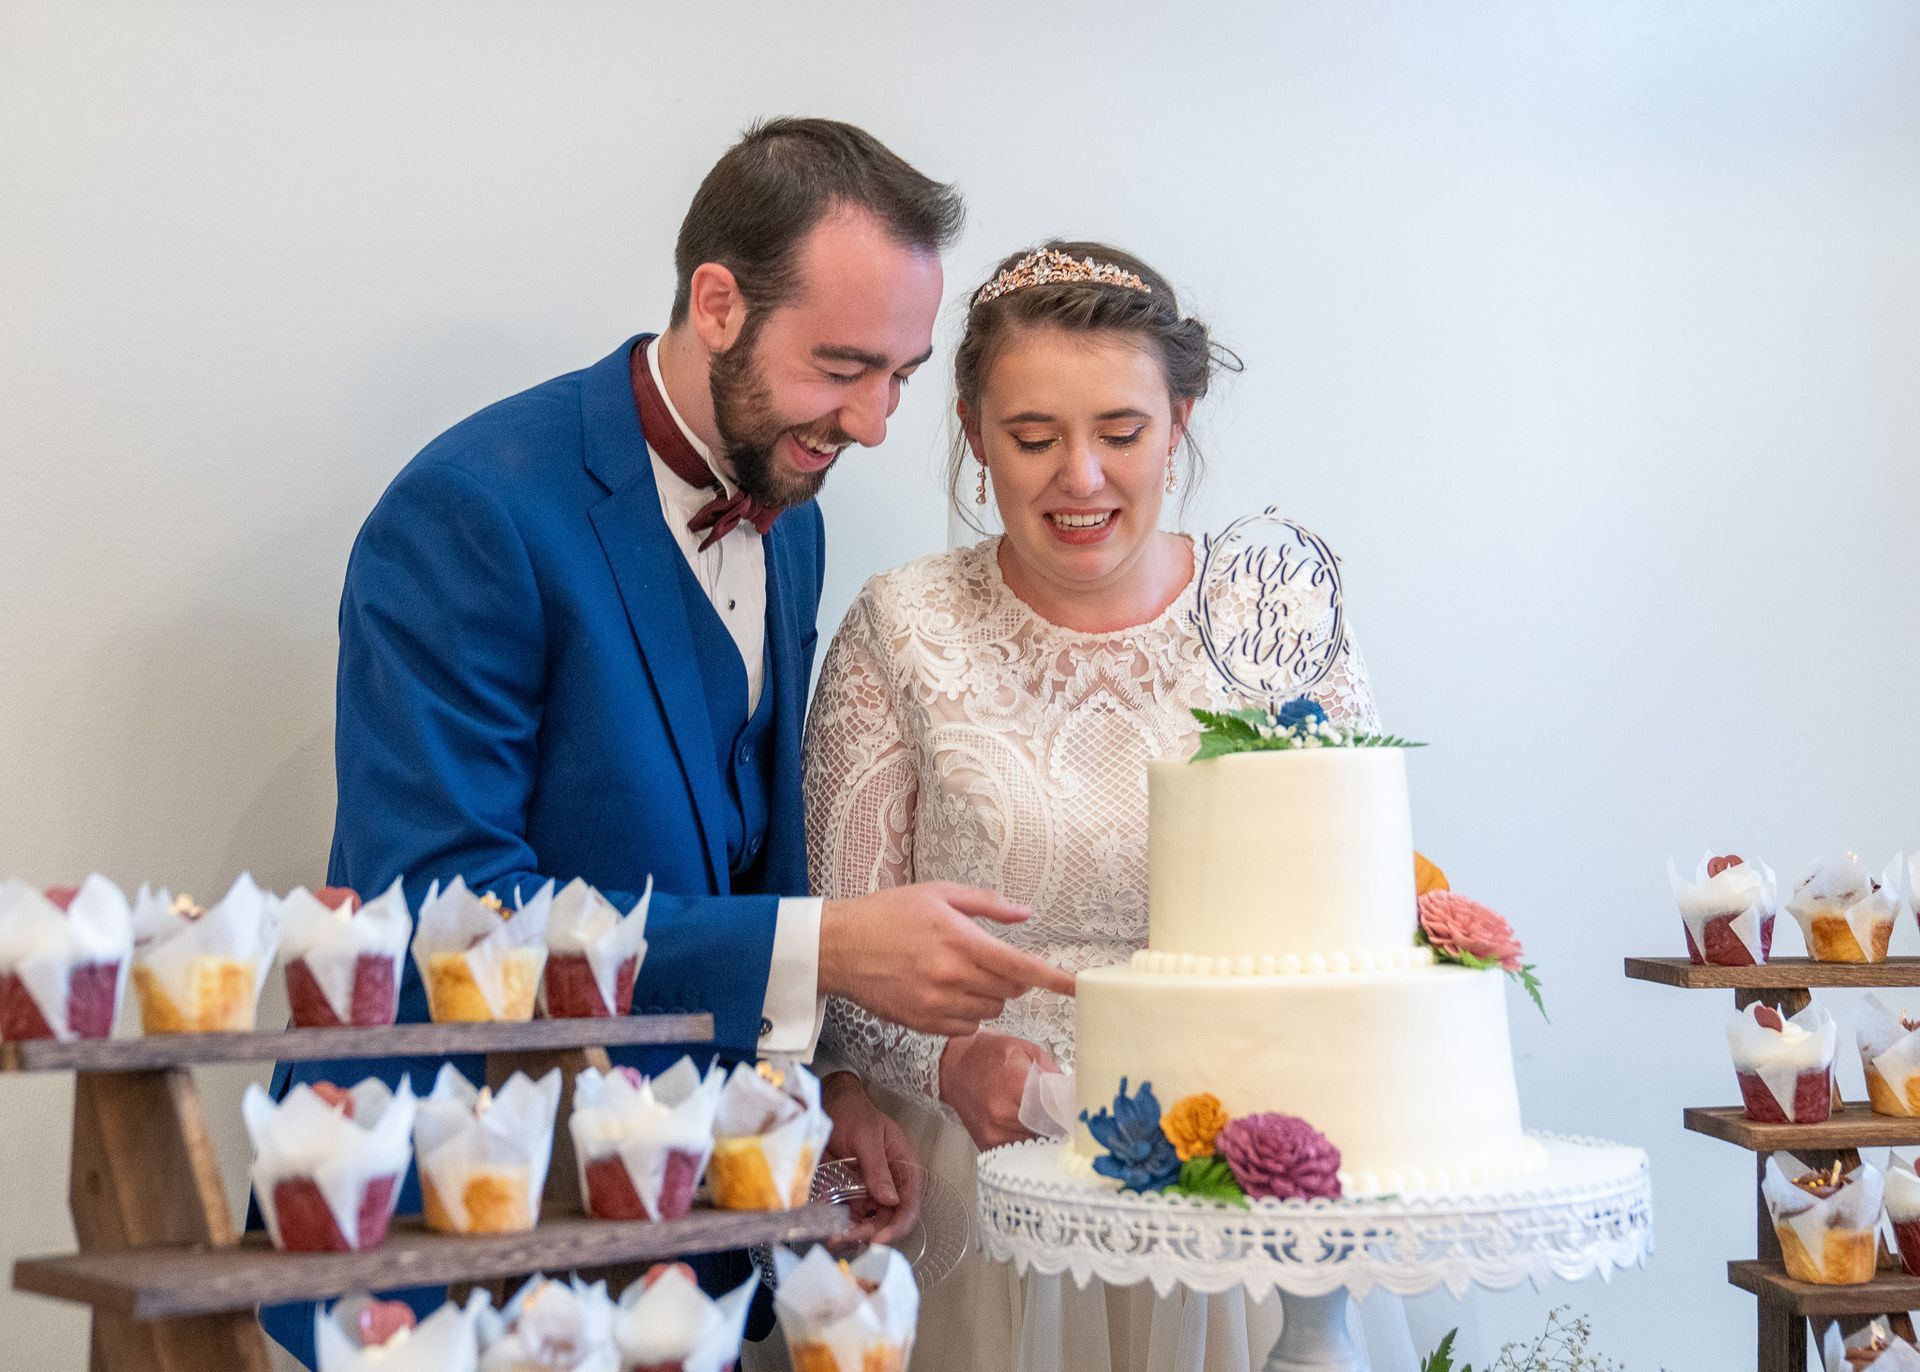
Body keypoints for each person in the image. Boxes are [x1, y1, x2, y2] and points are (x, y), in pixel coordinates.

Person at [262, 121, 1073, 1367]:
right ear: (717, 302)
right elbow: (436, 908)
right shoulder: (470, 511)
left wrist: (824, 1084)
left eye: (901, 375)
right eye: (843, 366)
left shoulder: (790, 514)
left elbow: (746, 837)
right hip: (459, 1237)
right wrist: (833, 947)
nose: (870, 423)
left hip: (685, 1239)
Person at [801, 242, 1421, 1370]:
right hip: (973, 1176)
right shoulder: (899, 626)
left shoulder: (1276, 617)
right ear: (974, 432)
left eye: (1120, 433)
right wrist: (950, 1064)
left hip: (1224, 1167)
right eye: (1033, 437)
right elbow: (841, 956)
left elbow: (1355, 909)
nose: (1079, 477)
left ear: (1179, 420)